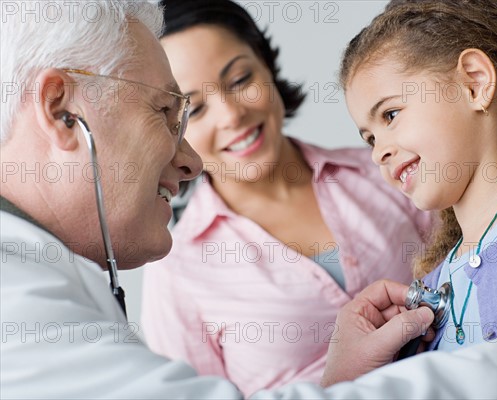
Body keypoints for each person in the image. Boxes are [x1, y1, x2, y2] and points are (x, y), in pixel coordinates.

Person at [1, 1, 497, 399]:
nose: (189, 155)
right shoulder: (39, 302)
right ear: (60, 111)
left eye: (239, 79)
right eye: (174, 110)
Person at [140, 1, 431, 395]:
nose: (232, 115)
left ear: (266, 66)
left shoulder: (384, 172)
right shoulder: (177, 267)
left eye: (240, 79)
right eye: (197, 109)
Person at [340, 0, 497, 352]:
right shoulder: (427, 291)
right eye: (369, 138)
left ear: (475, 84)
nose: (377, 151)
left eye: (390, 115)